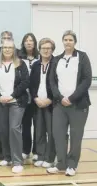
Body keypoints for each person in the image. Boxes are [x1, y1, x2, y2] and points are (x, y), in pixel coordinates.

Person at [47, 30, 92, 176]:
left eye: (70, 40)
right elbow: (52, 81)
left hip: (78, 105)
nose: (68, 42)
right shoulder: (57, 59)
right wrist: (60, 98)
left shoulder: (82, 57)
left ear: (75, 42)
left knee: (75, 135)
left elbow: (86, 80)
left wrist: (71, 98)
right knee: (58, 134)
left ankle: (72, 165)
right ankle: (61, 163)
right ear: (62, 42)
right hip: (60, 105)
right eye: (65, 40)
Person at [0, 39, 29, 173]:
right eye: (5, 47)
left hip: (17, 102)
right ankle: (7, 156)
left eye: (10, 47)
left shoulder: (21, 64)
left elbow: (25, 82)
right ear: (1, 49)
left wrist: (12, 96)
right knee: (3, 130)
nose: (7, 50)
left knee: (14, 129)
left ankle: (17, 161)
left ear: (14, 50)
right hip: (1, 102)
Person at [29, 38, 56, 168]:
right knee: (39, 131)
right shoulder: (35, 65)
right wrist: (35, 98)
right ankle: (40, 155)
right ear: (39, 50)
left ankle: (50, 157)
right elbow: (31, 84)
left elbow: (58, 84)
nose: (46, 50)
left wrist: (49, 99)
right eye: (43, 48)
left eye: (48, 48)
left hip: (51, 103)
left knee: (51, 132)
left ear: (52, 50)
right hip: (37, 103)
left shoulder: (57, 63)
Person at [19, 33, 39, 160]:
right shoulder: (19, 58)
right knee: (25, 124)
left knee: (38, 124)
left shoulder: (40, 57)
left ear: (35, 43)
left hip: (38, 96)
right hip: (24, 96)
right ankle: (25, 150)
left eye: (31, 40)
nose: (29, 42)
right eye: (26, 40)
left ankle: (37, 151)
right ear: (23, 43)